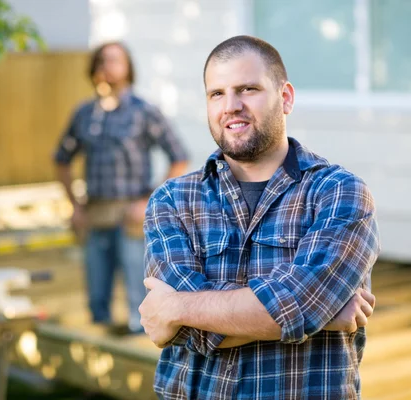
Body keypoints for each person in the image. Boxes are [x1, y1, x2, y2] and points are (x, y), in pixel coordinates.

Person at [138, 35, 380, 399]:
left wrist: (176, 308)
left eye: (247, 89)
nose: (231, 106)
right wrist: (320, 315)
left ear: (285, 98)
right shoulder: (172, 201)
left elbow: (170, 318)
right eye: (216, 94)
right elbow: (180, 332)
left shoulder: (339, 193)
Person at [54, 41, 189, 334]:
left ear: (128, 68)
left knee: (138, 304)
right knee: (97, 301)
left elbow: (179, 157)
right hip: (95, 215)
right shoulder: (85, 114)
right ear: (93, 69)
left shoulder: (144, 112)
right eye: (102, 60)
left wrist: (148, 203)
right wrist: (74, 207)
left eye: (116, 60)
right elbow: (61, 160)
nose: (108, 67)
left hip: (132, 218)